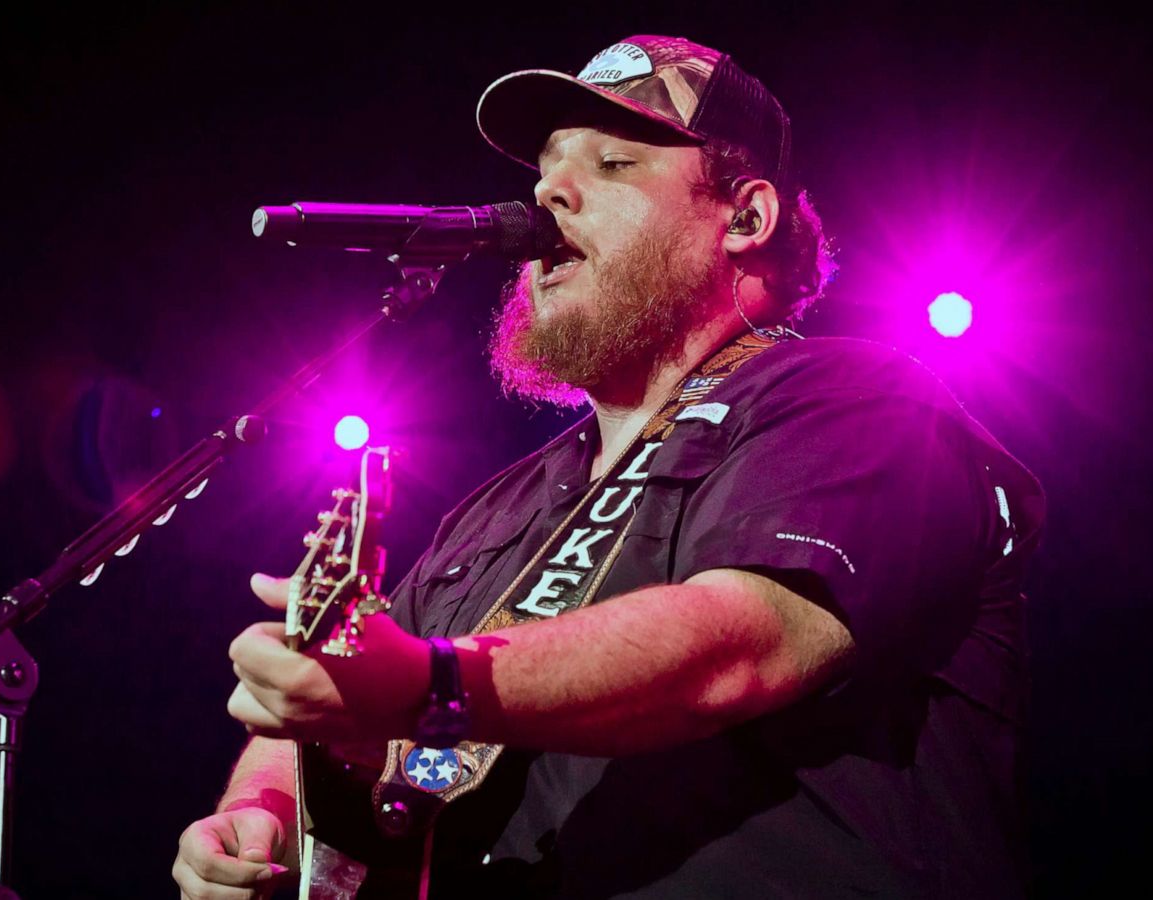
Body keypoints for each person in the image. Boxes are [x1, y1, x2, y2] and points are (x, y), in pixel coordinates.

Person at [174, 35, 1044, 900]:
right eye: (548, 168)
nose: (550, 191)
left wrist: (433, 683)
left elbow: (744, 644)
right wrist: (263, 809)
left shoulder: (854, 397)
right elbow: (357, 689)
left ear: (744, 219)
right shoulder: (494, 514)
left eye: (614, 164)